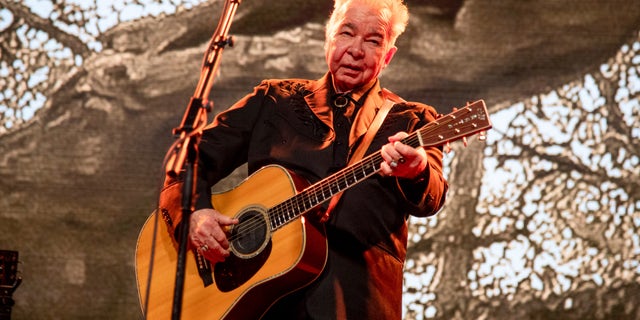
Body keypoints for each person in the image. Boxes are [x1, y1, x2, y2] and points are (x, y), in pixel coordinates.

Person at [161, 0, 448, 318]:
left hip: (356, 304)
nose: (355, 49)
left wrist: (417, 170)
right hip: (264, 308)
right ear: (329, 38)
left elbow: (432, 197)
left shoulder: (412, 120)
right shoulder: (274, 101)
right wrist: (195, 216)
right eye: (346, 33)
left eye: (373, 40)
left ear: (388, 56)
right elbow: (187, 161)